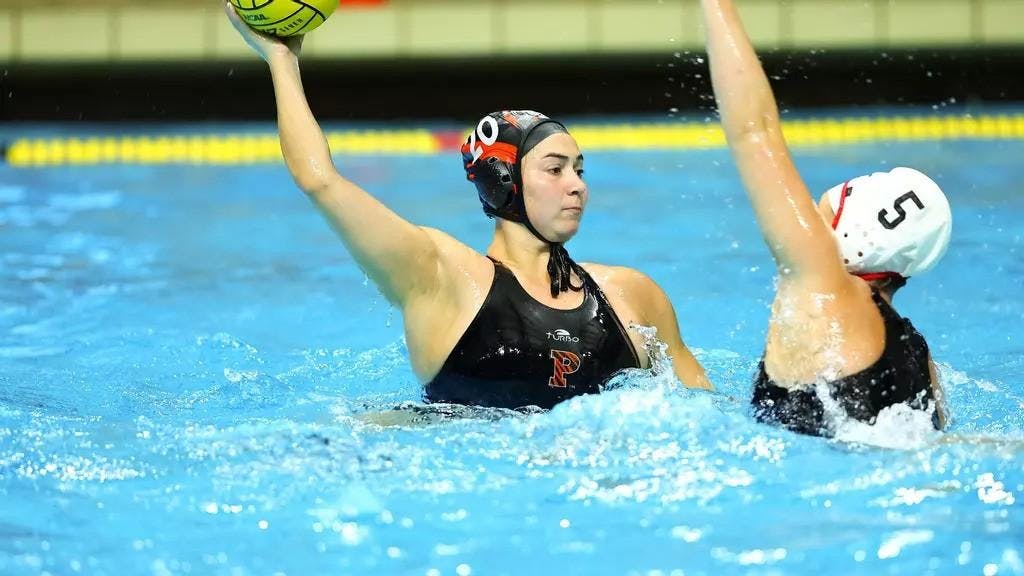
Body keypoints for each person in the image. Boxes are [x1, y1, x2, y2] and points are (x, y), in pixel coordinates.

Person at [224, 4, 713, 410]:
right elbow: (320, 179)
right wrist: (281, 61)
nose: (577, 187)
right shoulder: (440, 276)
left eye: (580, 171)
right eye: (555, 168)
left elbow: (707, 415)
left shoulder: (634, 296)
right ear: (505, 183)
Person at [700, 0, 951, 436]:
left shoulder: (824, 285)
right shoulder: (921, 359)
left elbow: (754, 131)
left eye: (826, 209)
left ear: (851, 236)